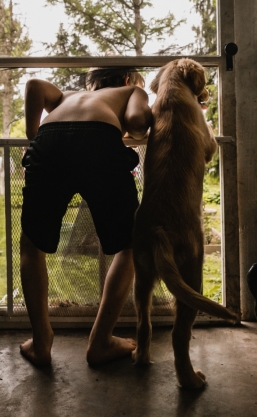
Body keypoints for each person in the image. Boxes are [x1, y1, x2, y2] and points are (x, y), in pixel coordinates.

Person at [19, 67, 151, 367]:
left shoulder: (68, 96)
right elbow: (137, 121)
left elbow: (35, 85)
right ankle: (101, 340)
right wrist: (138, 132)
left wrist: (32, 133)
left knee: (31, 243)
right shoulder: (131, 92)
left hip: (49, 139)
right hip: (99, 139)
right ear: (128, 79)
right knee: (131, 244)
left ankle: (41, 343)